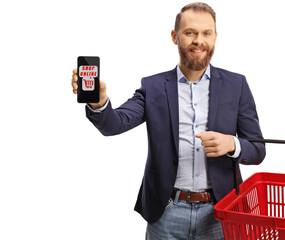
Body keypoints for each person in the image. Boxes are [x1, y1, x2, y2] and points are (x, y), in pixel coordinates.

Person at [71, 2, 265, 239]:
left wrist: (233, 144)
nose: (199, 41)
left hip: (221, 212)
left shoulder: (237, 85)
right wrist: (99, 102)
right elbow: (115, 124)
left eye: (207, 33)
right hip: (167, 213)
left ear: (216, 37)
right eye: (190, 32)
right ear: (175, 36)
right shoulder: (153, 87)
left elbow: (257, 150)